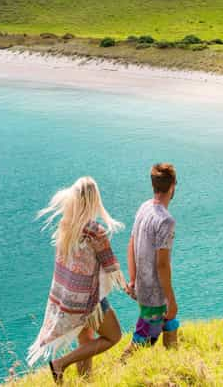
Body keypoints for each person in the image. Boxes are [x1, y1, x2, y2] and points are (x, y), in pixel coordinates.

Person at [27, 177, 127, 384]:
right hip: (89, 301)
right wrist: (129, 288)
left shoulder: (67, 225)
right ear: (93, 199)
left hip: (68, 298)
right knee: (113, 336)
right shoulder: (95, 231)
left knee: (86, 340)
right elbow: (111, 266)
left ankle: (85, 381)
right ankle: (60, 364)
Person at [123, 163, 179, 357]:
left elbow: (131, 243)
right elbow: (162, 264)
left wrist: (132, 279)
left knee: (170, 324)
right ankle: (121, 365)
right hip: (154, 293)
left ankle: (174, 365)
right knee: (145, 340)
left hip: (142, 284)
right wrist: (171, 299)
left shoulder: (144, 207)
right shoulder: (166, 221)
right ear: (172, 186)